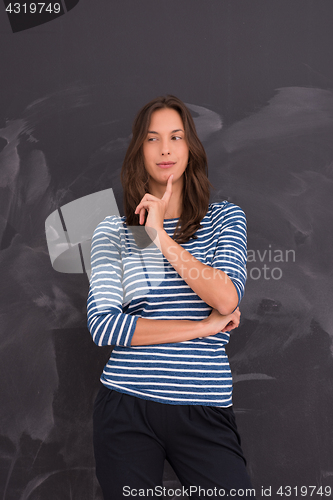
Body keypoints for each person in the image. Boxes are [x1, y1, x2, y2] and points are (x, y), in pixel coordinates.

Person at [87, 95, 255, 499]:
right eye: (152, 138)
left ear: (190, 148)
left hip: (204, 408)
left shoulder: (225, 218)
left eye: (176, 137)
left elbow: (226, 299)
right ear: (138, 151)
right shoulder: (111, 231)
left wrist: (160, 235)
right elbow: (105, 326)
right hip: (125, 405)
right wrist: (200, 328)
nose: (165, 148)